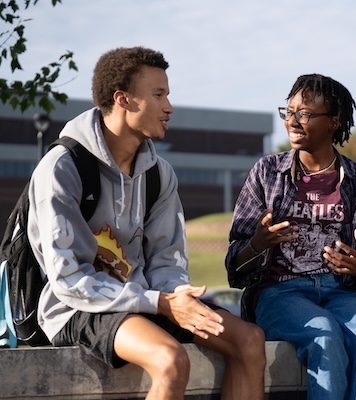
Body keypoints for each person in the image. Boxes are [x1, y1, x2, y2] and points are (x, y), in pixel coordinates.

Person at [27, 46, 265, 400]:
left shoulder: (158, 174)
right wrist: (160, 303)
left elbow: (167, 259)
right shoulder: (62, 167)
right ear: (123, 99)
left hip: (147, 299)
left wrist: (174, 294)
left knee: (248, 341)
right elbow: (70, 278)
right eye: (158, 95)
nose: (168, 107)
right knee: (170, 359)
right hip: (76, 306)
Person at [225, 73, 356, 400]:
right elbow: (234, 266)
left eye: (304, 114)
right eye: (288, 112)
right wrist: (257, 244)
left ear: (334, 122)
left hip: (343, 292)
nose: (292, 121)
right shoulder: (266, 173)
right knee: (323, 333)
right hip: (281, 292)